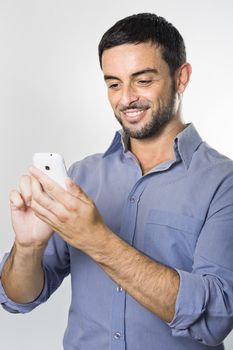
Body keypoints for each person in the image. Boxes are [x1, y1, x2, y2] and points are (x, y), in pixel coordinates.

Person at [1, 12, 233, 350]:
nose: (126, 99)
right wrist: (28, 248)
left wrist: (97, 239)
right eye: (113, 83)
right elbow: (18, 298)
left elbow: (217, 318)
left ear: (181, 78)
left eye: (143, 80)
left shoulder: (223, 183)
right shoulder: (81, 177)